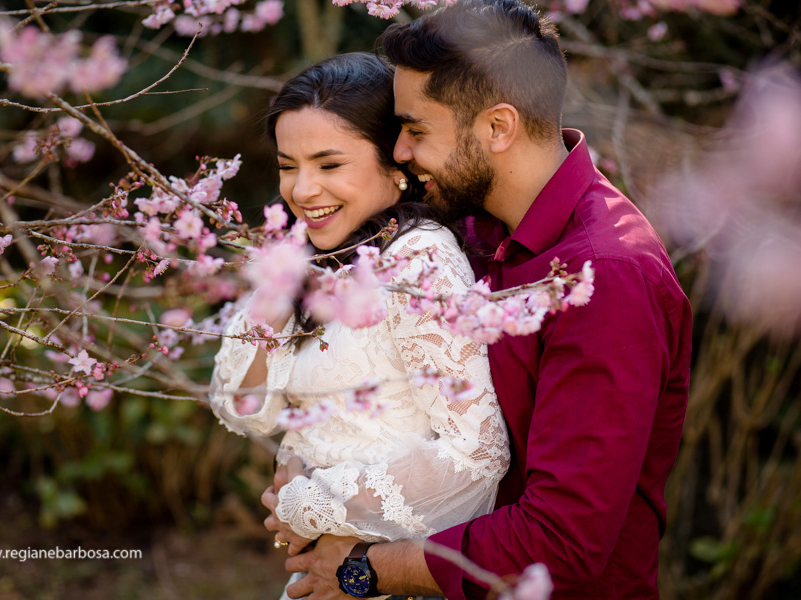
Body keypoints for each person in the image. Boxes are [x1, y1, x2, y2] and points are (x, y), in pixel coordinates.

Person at [274, 1, 692, 599]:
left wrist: (364, 568)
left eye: (416, 130)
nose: (400, 153)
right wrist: (307, 484)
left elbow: (563, 538)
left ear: (497, 127)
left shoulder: (606, 279)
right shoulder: (468, 234)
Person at [209, 52, 510, 600]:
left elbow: (479, 452)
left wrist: (308, 503)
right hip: (321, 571)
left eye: (329, 165)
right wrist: (277, 294)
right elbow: (244, 408)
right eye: (287, 165)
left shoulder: (418, 264)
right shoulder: (313, 257)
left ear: (396, 164)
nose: (301, 191)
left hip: (386, 572)